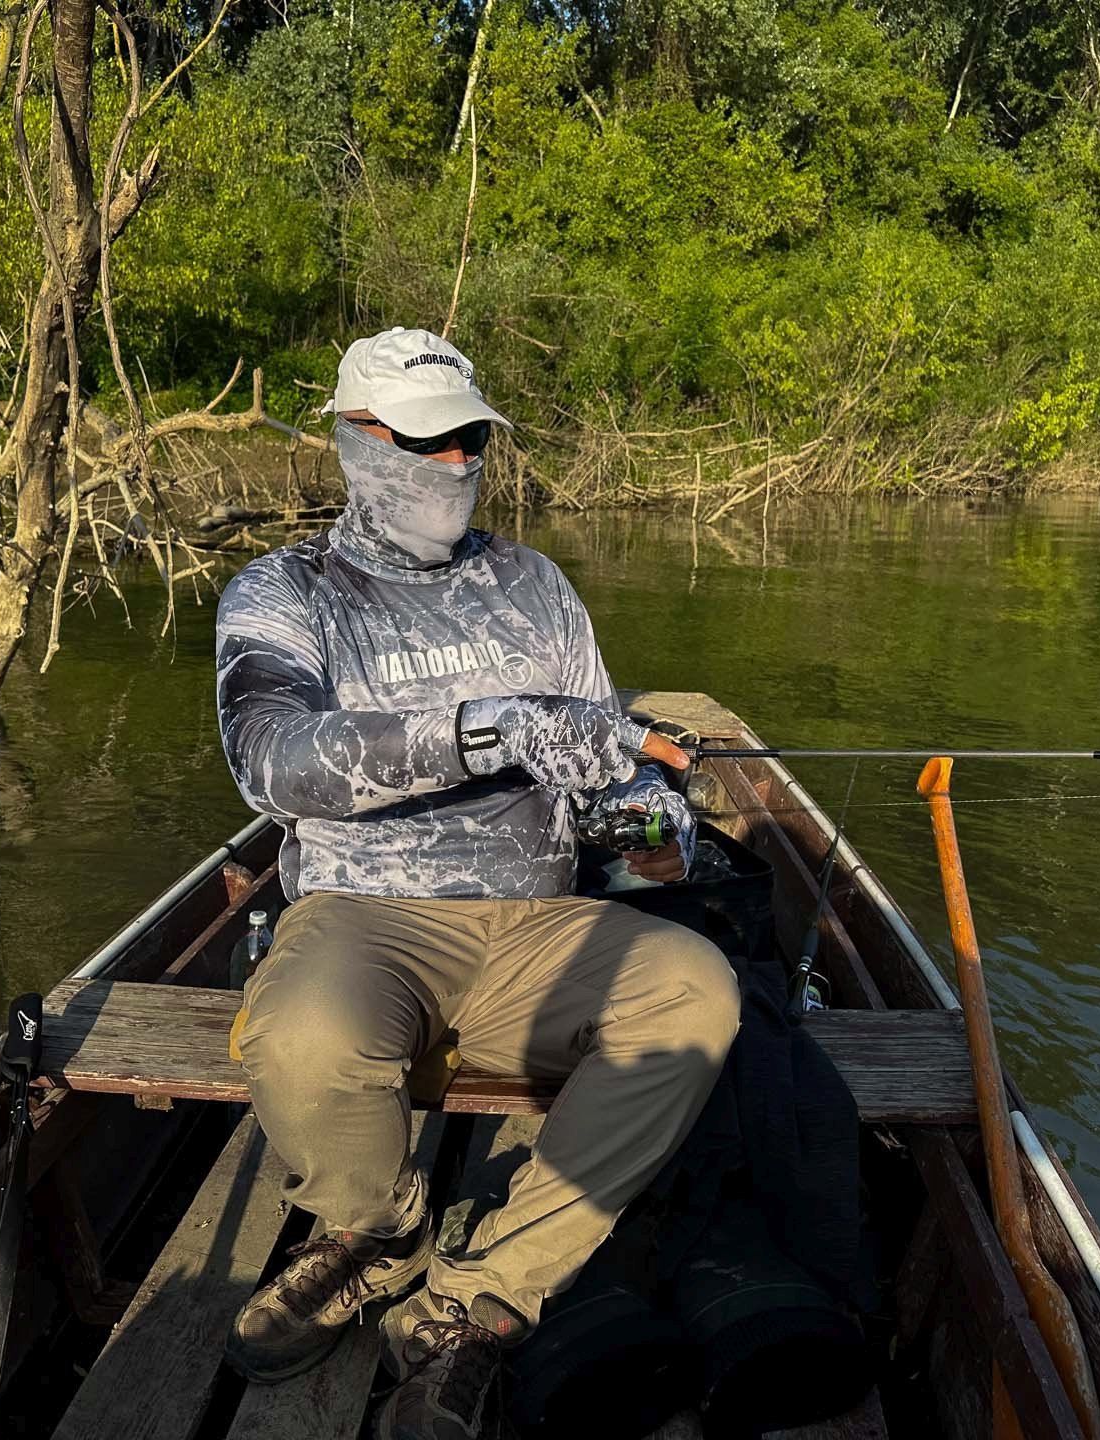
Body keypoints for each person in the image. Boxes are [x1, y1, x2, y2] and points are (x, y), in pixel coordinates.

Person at [213, 326, 742, 1440]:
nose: (455, 464)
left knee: (696, 990)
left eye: (471, 440)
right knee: (304, 1031)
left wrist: (647, 817)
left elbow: (601, 776)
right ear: (355, 440)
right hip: (362, 909)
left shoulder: (535, 585)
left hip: (541, 914)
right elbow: (272, 760)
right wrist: (491, 729)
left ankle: (481, 1292)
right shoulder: (284, 590)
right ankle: (373, 1232)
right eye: (425, 440)